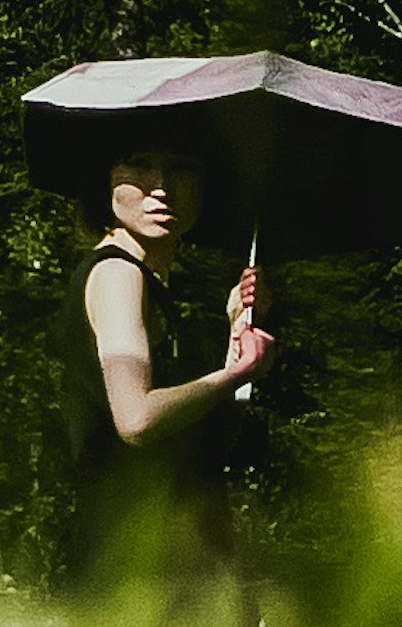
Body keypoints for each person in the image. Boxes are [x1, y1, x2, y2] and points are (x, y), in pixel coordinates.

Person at [73, 145, 269, 577]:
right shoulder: (117, 274)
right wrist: (235, 373)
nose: (162, 188)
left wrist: (236, 333)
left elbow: (214, 441)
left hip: (172, 560)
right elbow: (137, 419)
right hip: (136, 569)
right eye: (139, 164)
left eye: (183, 166)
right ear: (104, 179)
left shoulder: (155, 287)